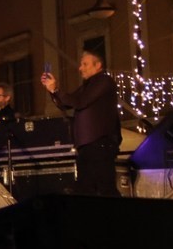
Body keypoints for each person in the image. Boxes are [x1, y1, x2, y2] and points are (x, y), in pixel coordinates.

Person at [40, 50, 121, 197]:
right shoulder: (88, 86)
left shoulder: (104, 81)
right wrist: (53, 91)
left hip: (100, 144)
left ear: (98, 65)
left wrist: (56, 89)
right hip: (87, 147)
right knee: (86, 190)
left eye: (85, 64)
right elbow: (67, 103)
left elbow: (79, 102)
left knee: (105, 189)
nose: (80, 68)